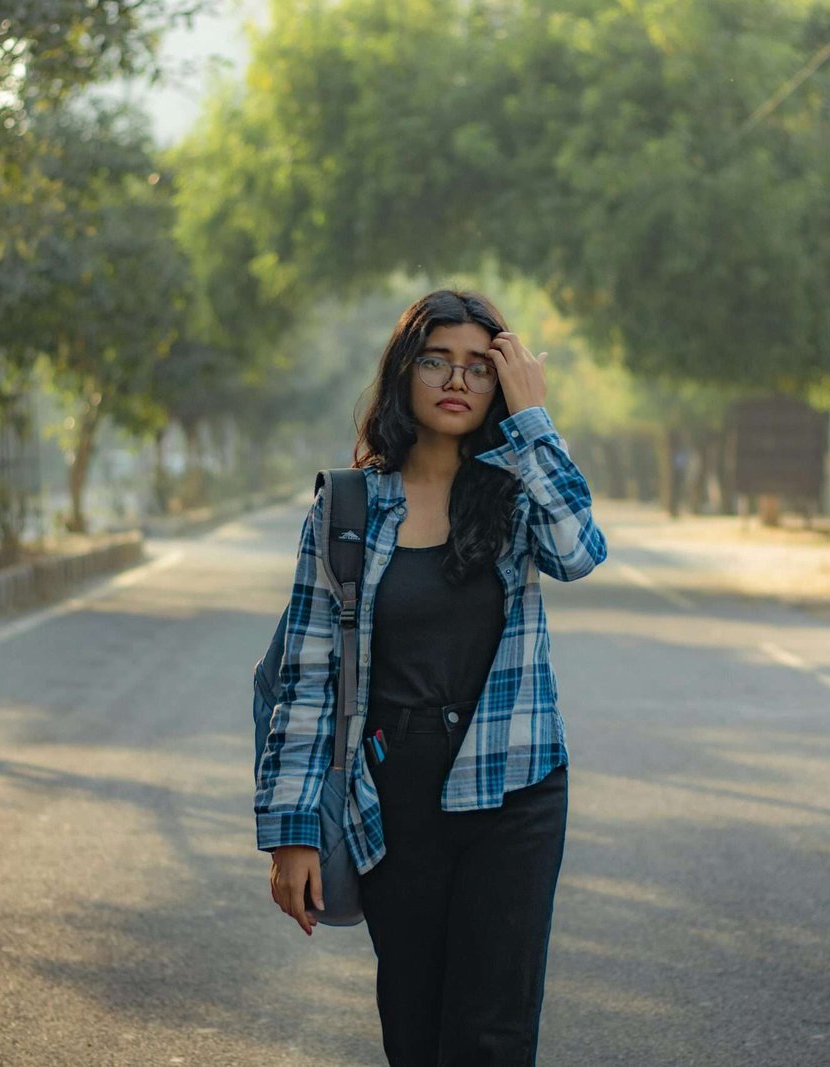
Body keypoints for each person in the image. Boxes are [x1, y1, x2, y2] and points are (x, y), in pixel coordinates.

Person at [255, 289, 608, 1066]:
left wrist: (533, 419)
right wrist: (292, 831)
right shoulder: (348, 508)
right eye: (436, 361)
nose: (457, 381)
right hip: (395, 795)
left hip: (512, 788)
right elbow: (309, 676)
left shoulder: (515, 491)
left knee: (492, 1034)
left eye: (481, 368)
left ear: (501, 383)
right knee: (414, 1028)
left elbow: (580, 551)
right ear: (403, 375)